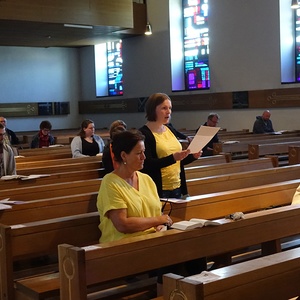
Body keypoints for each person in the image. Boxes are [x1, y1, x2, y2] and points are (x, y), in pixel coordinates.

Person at [97, 130, 205, 294]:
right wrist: (158, 221)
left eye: (144, 153)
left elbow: (156, 214)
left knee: (195, 247)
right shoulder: (110, 183)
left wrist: (161, 225)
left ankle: (196, 294)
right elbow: (123, 224)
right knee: (172, 251)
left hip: (151, 238)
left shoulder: (146, 179)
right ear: (124, 156)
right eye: (139, 153)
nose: (144, 157)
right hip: (122, 245)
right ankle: (166, 294)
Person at [139, 92, 202, 199]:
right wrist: (173, 158)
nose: (168, 112)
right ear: (153, 109)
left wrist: (192, 157)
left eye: (170, 108)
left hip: (177, 186)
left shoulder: (170, 129)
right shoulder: (144, 134)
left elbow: (178, 161)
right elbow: (147, 164)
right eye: (164, 108)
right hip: (159, 188)